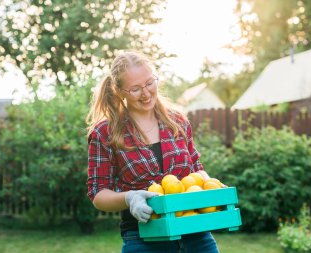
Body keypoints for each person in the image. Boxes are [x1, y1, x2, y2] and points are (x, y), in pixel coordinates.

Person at [86, 51, 220, 253]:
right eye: (135, 89)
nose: (146, 93)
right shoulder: (105, 133)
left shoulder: (178, 122)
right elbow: (98, 194)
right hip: (144, 239)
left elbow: (197, 169)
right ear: (120, 91)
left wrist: (212, 186)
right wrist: (130, 198)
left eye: (150, 83)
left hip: (195, 234)